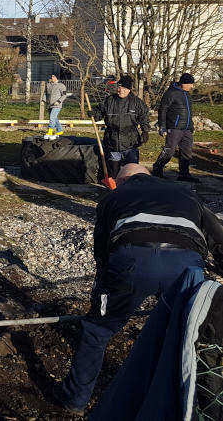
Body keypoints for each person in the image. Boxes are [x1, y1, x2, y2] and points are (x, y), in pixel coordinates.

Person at [55, 163, 223, 415]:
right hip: (185, 263)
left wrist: (102, 298)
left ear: (122, 181)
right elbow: (217, 237)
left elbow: (102, 251)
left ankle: (75, 399)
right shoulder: (187, 193)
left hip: (133, 260)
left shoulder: (114, 197)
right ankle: (182, 401)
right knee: (185, 330)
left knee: (97, 330)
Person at [91, 74, 151, 179]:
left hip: (131, 142)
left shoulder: (136, 102)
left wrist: (145, 131)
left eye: (124, 88)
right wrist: (93, 114)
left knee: (131, 171)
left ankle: (131, 189)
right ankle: (115, 188)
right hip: (113, 141)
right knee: (114, 170)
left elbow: (144, 117)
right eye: (119, 87)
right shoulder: (109, 101)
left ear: (129, 90)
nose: (120, 90)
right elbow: (99, 113)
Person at [153, 73, 198, 182]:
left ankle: (184, 174)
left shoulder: (186, 94)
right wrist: (162, 126)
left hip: (186, 129)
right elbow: (162, 110)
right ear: (183, 83)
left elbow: (188, 112)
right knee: (169, 151)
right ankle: (157, 169)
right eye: (190, 84)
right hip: (174, 128)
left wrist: (191, 126)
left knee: (186, 152)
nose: (192, 87)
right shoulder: (171, 93)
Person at [45, 74, 69, 139]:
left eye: (53, 76)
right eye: (51, 77)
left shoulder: (61, 86)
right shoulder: (48, 85)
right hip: (50, 105)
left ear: (56, 77)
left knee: (52, 117)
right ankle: (60, 130)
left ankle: (50, 131)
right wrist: (43, 100)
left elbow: (64, 95)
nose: (51, 78)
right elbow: (46, 94)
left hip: (57, 105)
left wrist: (58, 101)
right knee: (54, 118)